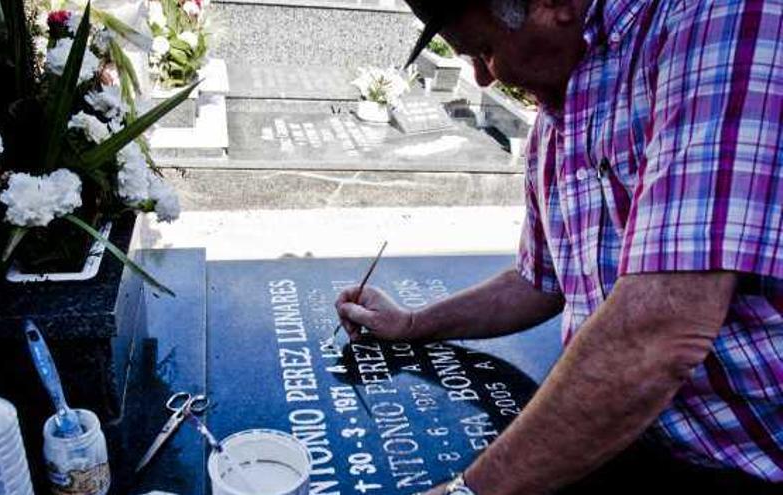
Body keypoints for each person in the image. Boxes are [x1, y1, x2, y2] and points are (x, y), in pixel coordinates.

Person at [335, 0, 783, 493]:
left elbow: (662, 329)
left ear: (552, 4)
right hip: (625, 434)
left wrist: (467, 492)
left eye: (484, 50)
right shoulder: (559, 116)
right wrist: (414, 323)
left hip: (746, 455)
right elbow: (539, 281)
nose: (484, 79)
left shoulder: (718, 20)